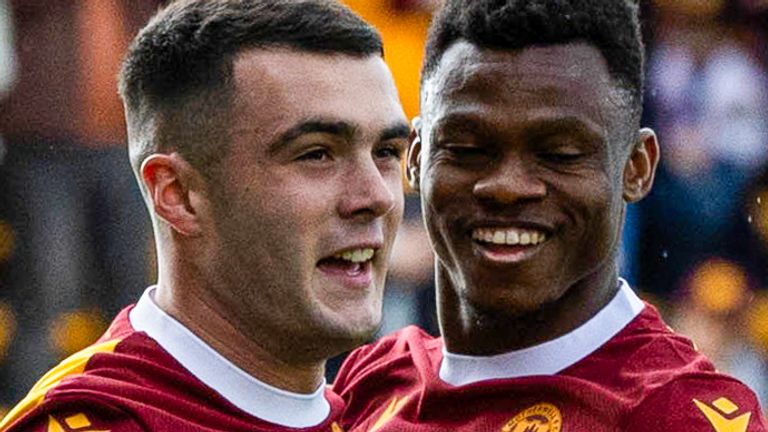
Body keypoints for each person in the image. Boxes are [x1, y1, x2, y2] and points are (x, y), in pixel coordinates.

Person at [332, 1, 768, 431]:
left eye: (558, 154)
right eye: (467, 149)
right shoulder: (371, 380)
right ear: (415, 158)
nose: (507, 186)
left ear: (637, 167)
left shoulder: (680, 416)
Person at [1, 0, 408, 430]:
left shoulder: (394, 411)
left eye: (386, 152)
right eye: (316, 154)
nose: (377, 195)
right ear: (177, 194)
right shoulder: (94, 421)